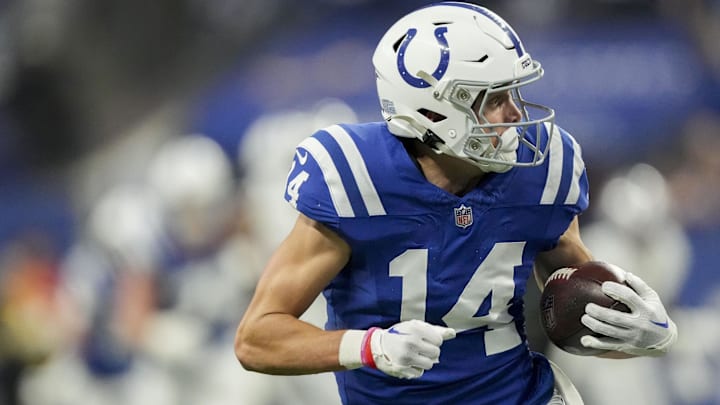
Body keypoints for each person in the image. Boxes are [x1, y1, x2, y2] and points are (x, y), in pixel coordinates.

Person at [234, 2, 678, 404]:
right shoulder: (356, 178)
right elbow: (257, 339)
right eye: (495, 100)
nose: (517, 116)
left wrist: (647, 335)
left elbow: (574, 312)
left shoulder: (541, 170)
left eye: (514, 94)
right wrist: (370, 347)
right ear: (431, 113)